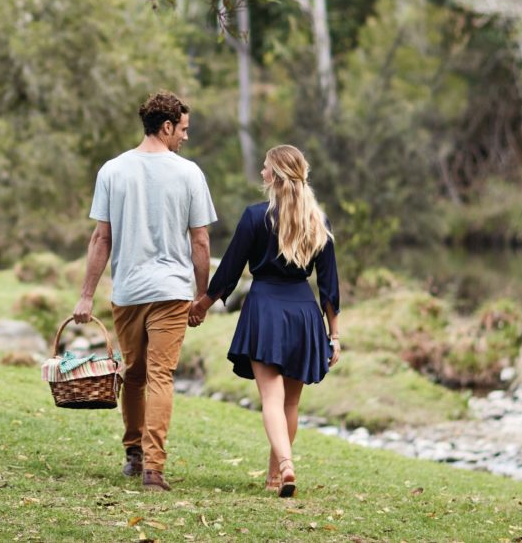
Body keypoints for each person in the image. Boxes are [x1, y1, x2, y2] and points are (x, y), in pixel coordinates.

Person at [73, 91, 217, 492]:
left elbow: (101, 238)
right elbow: (201, 242)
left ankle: (135, 454)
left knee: (134, 376)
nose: (185, 137)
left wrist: (86, 294)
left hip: (129, 291)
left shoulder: (112, 170)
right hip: (172, 290)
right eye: (183, 129)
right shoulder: (189, 173)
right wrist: (201, 296)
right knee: (158, 377)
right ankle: (154, 469)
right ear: (166, 126)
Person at [188, 144, 340, 498]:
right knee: (289, 403)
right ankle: (275, 476)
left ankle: (285, 466)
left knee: (271, 399)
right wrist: (334, 335)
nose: (261, 172)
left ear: (276, 174)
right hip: (304, 313)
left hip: (266, 310)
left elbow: (230, 270)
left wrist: (204, 303)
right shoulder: (319, 221)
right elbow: (330, 286)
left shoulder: (255, 217)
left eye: (265, 167)